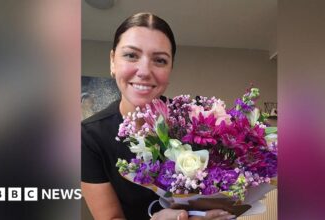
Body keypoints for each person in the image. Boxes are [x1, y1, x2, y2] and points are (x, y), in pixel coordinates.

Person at [81, 12, 236, 220]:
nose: (144, 71)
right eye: (131, 55)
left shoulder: (194, 120)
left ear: (170, 68)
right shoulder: (89, 136)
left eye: (160, 60)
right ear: (112, 61)